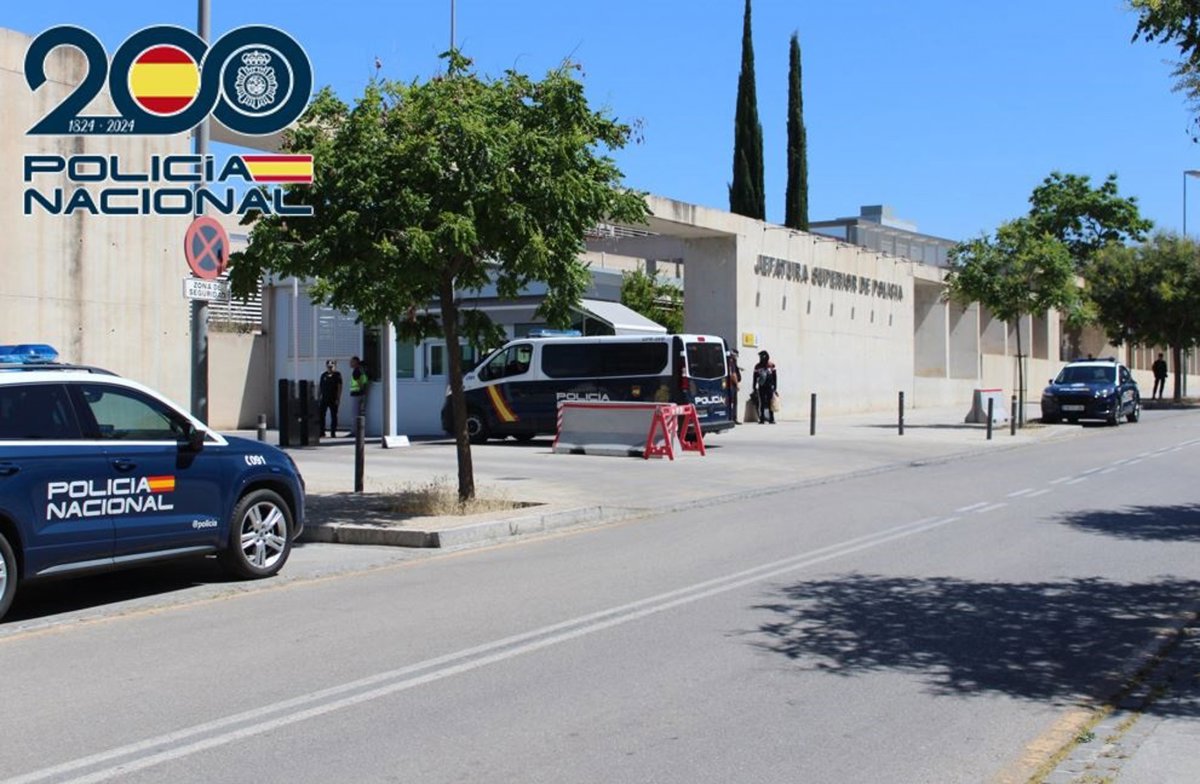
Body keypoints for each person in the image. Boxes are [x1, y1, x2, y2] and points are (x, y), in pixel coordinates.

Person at [318, 360, 343, 437]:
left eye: (332, 366)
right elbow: (320, 387)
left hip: (333, 398)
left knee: (334, 415)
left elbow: (339, 387)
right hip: (324, 398)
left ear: (334, 366)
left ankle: (333, 432)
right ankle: (322, 431)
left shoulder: (337, 375)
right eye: (329, 366)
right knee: (321, 415)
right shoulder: (323, 375)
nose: (330, 368)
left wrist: (338, 398)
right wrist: (319, 397)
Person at [752, 349, 778, 424]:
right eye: (760, 357)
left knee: (770, 402)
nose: (761, 358)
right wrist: (754, 386)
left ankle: (771, 418)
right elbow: (755, 377)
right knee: (762, 403)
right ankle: (762, 419)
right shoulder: (757, 366)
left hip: (769, 386)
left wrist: (775, 387)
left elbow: (775, 377)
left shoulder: (771, 365)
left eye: (762, 356)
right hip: (761, 386)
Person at [349, 355, 370, 434]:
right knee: (361, 414)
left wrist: (360, 390)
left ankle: (354, 432)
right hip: (362, 394)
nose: (350, 363)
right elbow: (365, 382)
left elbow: (360, 383)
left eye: (352, 362)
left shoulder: (356, 371)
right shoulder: (362, 370)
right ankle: (361, 431)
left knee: (354, 414)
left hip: (356, 394)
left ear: (356, 362)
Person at [726, 349, 742, 424]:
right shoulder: (731, 361)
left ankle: (732, 418)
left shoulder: (729, 361)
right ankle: (733, 418)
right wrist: (737, 384)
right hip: (732, 385)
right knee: (733, 402)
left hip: (730, 385)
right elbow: (733, 374)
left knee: (732, 402)